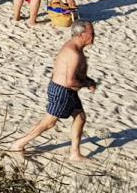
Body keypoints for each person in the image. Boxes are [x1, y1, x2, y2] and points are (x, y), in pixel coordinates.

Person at [10, 21, 97, 162]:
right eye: (92, 33)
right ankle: (18, 144)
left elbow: (75, 73)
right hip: (62, 91)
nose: (94, 36)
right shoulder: (73, 53)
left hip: (67, 91)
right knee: (49, 123)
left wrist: (88, 80)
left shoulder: (76, 47)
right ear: (82, 35)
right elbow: (70, 81)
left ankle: (74, 153)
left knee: (80, 117)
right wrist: (86, 83)